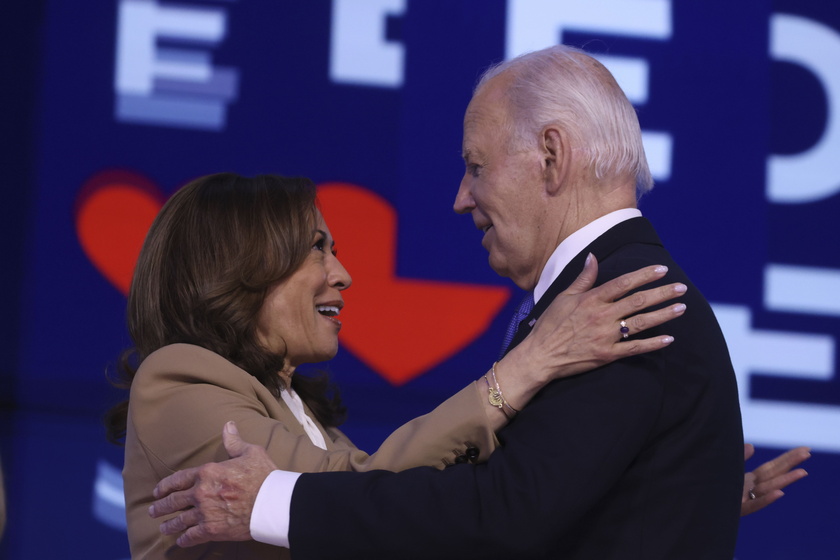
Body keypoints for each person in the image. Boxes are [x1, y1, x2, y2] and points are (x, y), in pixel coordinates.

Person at [147, 46, 807, 558]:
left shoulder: (622, 301)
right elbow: (536, 496)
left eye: (477, 166)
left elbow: (506, 513)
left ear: (551, 156)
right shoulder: (603, 299)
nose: (462, 198)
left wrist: (271, 503)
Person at [110, 172, 685, 559]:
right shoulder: (178, 381)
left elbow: (407, 509)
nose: (342, 274)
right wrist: (525, 368)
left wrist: (634, 486)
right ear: (239, 265)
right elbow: (350, 497)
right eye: (318, 248)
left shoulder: (295, 407)